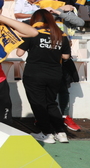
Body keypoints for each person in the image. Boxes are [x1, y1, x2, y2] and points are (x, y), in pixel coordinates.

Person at [16, 10, 71, 144]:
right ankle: (61, 132)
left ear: (35, 20)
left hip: (34, 73)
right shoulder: (61, 34)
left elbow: (19, 53)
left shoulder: (32, 32)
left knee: (38, 104)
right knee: (51, 103)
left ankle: (47, 133)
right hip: (55, 74)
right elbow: (65, 56)